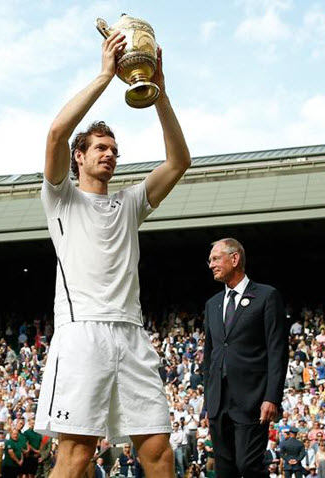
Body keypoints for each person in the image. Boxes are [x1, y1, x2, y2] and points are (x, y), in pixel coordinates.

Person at [34, 23, 191, 478]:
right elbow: (56, 132)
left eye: (114, 149)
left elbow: (180, 161)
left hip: (132, 334)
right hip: (83, 334)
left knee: (158, 450)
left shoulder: (130, 202)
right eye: (100, 147)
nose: (109, 154)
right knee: (77, 455)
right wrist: (106, 75)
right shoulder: (61, 197)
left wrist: (158, 93)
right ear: (79, 157)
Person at [203, 238, 288, 478]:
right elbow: (210, 354)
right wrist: (208, 400)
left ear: (235, 258)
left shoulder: (266, 296)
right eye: (210, 260)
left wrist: (272, 397)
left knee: (248, 465)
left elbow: (277, 351)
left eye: (216, 258)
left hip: (252, 399)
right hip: (219, 403)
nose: (211, 265)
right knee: (225, 470)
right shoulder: (212, 304)